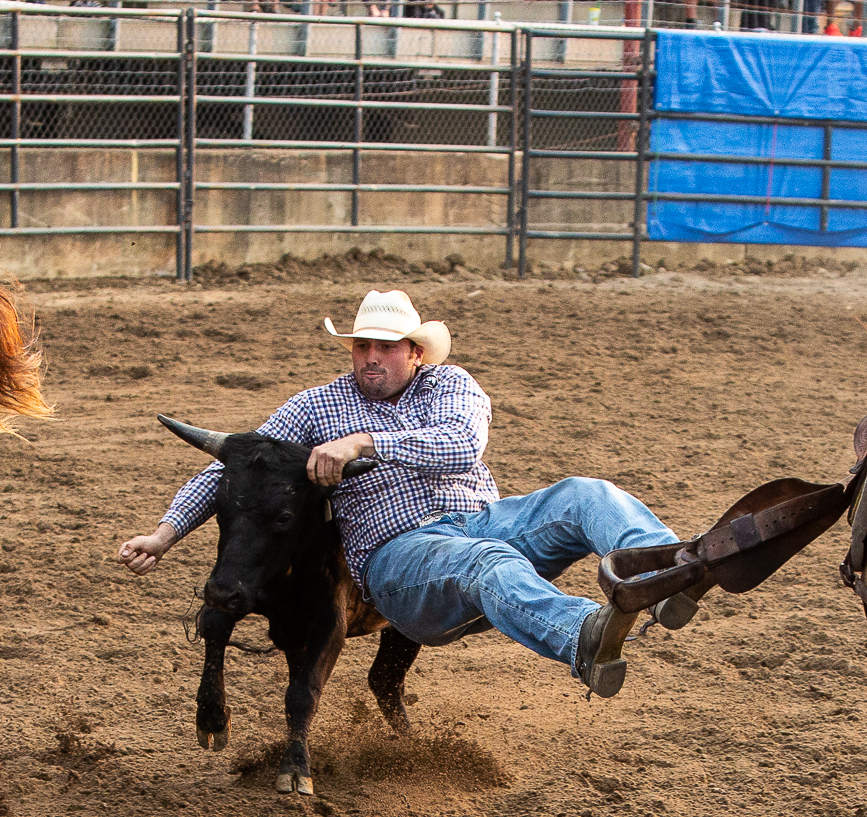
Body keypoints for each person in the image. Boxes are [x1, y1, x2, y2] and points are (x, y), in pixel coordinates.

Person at [117, 290, 698, 698]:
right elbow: (240, 469)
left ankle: (667, 568)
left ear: (415, 353)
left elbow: (462, 445)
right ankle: (584, 638)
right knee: (487, 562)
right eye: (362, 345)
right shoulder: (314, 407)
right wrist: (165, 532)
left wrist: (362, 444)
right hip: (399, 561)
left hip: (483, 518)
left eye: (387, 346)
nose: (372, 356)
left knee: (584, 493)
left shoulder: (452, 386)